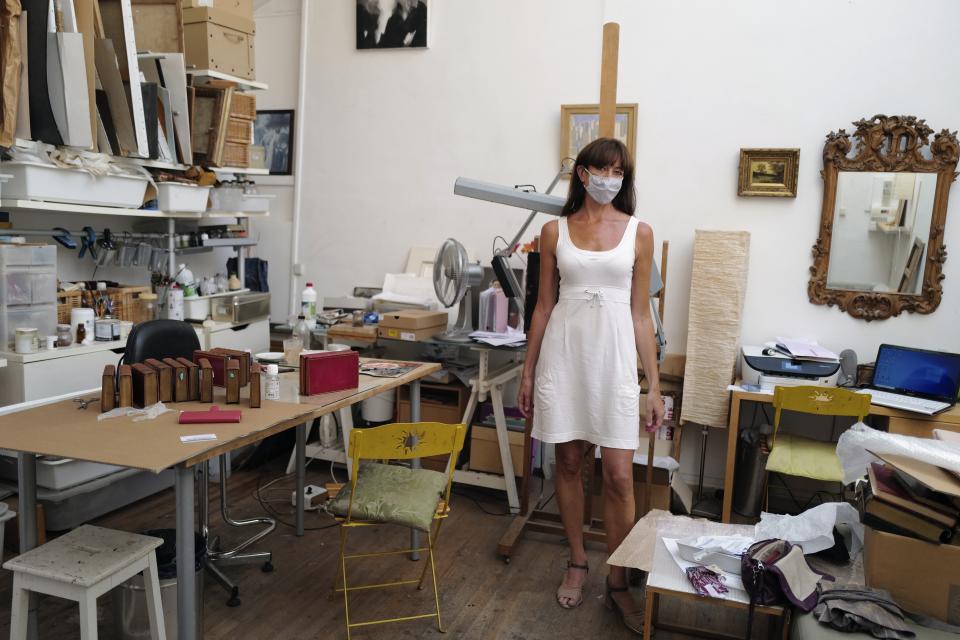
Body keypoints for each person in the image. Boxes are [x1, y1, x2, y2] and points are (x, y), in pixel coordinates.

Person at [517, 137, 665, 635]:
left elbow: (642, 314)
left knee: (620, 476)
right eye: (601, 169)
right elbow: (541, 307)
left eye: (619, 171)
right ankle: (578, 560)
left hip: (616, 360)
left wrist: (654, 385)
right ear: (582, 174)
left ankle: (619, 578)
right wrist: (527, 369)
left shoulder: (639, 233)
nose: (610, 178)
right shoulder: (553, 231)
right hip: (565, 355)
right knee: (569, 462)